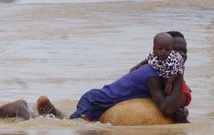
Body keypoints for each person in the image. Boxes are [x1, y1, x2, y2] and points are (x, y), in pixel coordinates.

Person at [0, 31, 190, 123]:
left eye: (184, 51)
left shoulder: (157, 67)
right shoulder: (152, 76)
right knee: (75, 128)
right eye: (175, 51)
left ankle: (51, 111)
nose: (179, 55)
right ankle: (22, 111)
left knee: (69, 122)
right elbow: (166, 108)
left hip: (100, 100)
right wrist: (179, 75)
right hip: (96, 101)